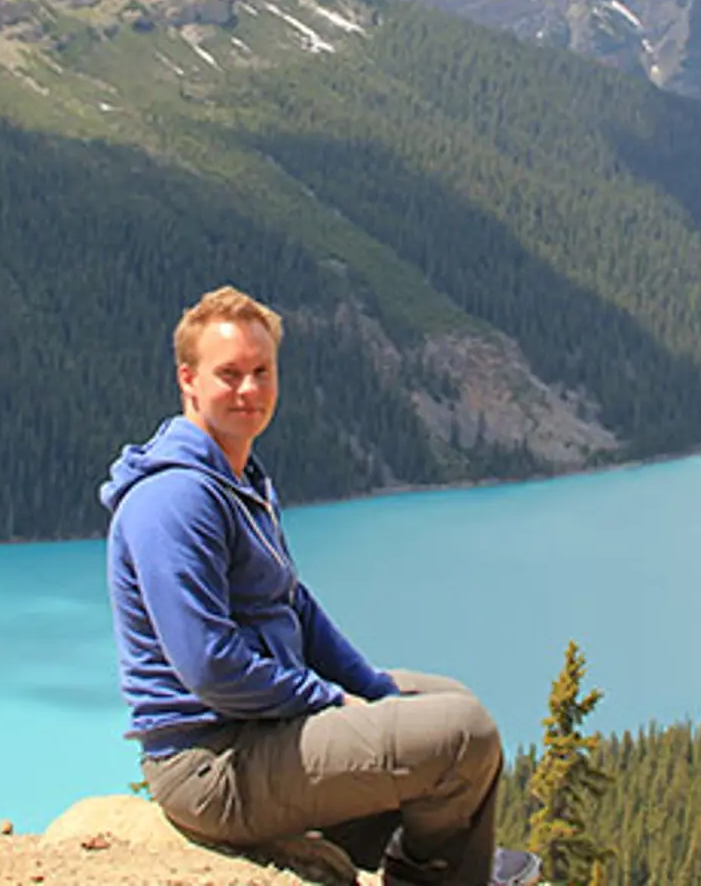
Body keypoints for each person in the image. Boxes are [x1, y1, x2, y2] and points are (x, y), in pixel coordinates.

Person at [101, 286, 541, 886]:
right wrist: (329, 700)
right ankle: (434, 878)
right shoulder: (174, 499)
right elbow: (208, 667)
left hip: (256, 730)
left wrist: (369, 688)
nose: (249, 390)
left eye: (262, 371)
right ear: (188, 379)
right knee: (466, 736)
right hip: (212, 764)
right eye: (228, 374)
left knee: (440, 698)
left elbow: (293, 606)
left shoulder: (237, 476)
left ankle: (431, 861)